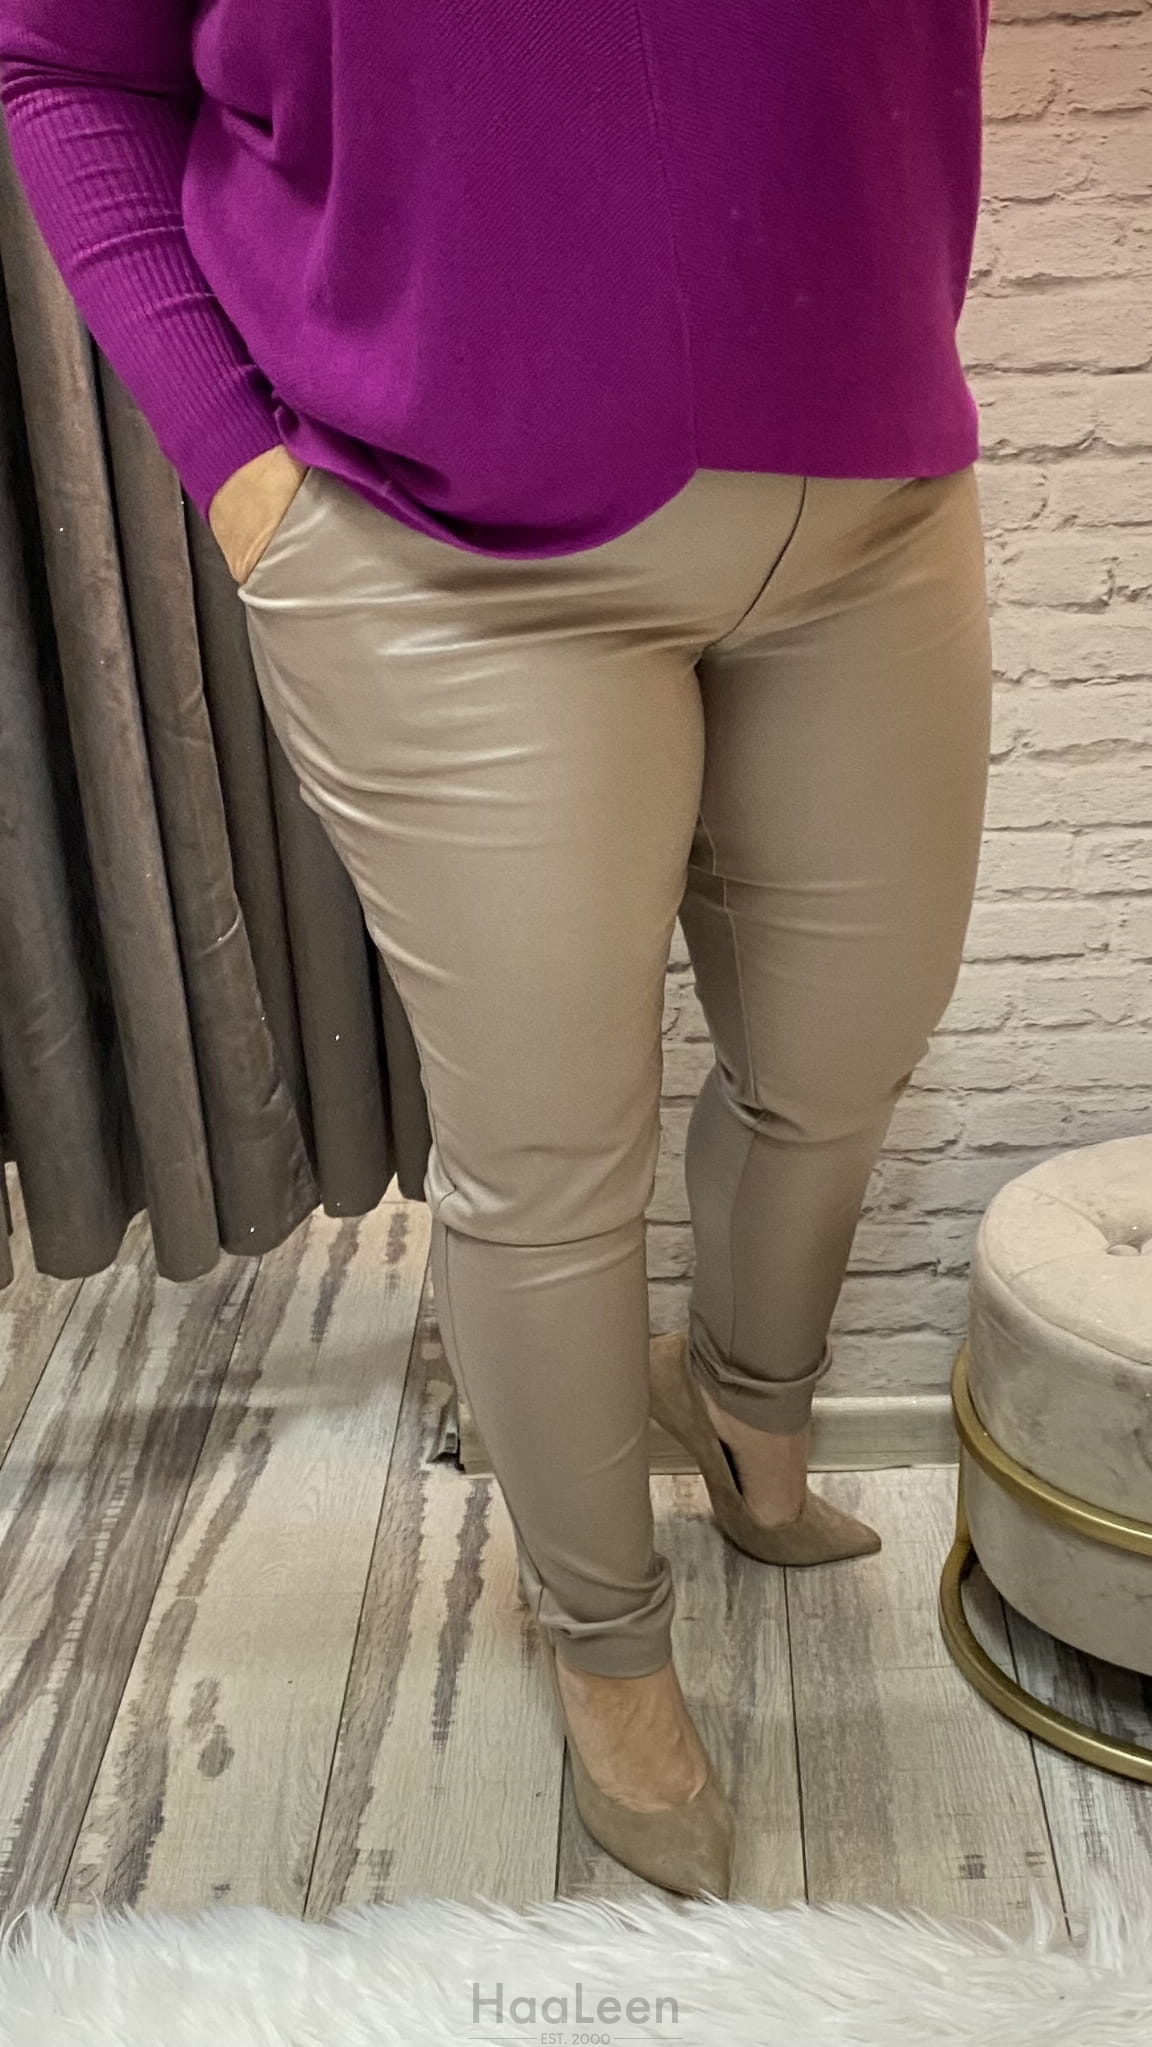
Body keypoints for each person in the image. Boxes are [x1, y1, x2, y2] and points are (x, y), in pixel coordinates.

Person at [0, 1, 994, 1898]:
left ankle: (747, 1402)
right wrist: (239, 468)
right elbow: (67, 65)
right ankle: (608, 1644)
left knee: (845, 1047)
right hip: (435, 554)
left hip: (874, 502)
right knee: (548, 1160)